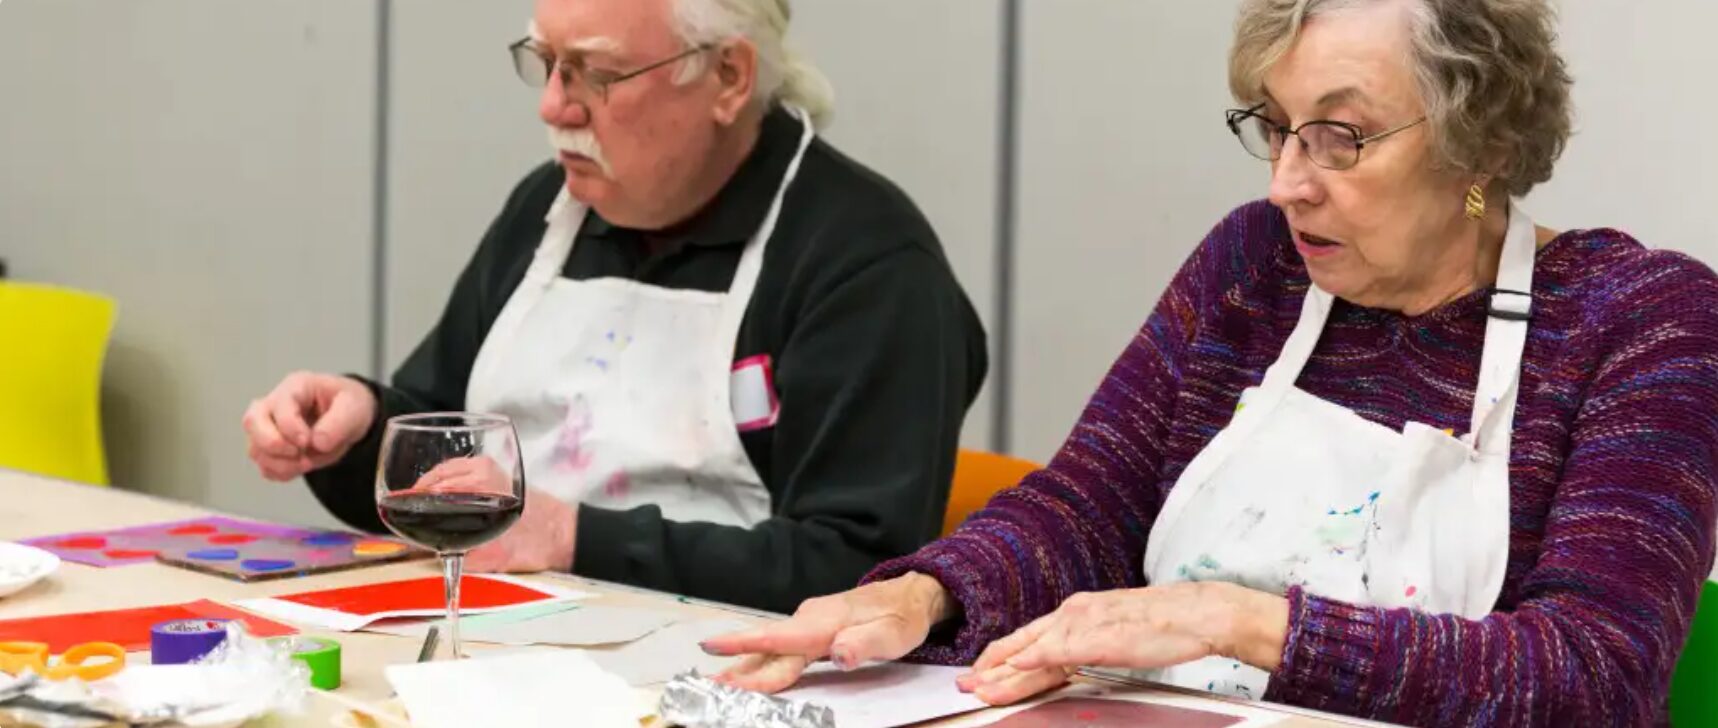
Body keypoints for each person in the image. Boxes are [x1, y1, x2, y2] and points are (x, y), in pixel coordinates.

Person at [704, 0, 1718, 724]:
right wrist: (923, 594)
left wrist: (1237, 621)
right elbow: (1085, 506)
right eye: (1274, 130)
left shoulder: (1635, 320)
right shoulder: (1253, 268)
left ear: (1479, 142)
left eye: (1339, 137)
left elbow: (1592, 674)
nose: (1287, 183)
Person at [240, 0, 987, 614]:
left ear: (728, 76)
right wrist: (361, 432)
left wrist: (574, 539)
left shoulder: (865, 266)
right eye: (545, 63)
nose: (554, 106)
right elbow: (454, 455)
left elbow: (863, 572)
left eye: (596, 74)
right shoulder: (551, 209)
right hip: (505, 638)